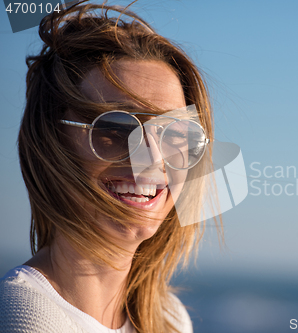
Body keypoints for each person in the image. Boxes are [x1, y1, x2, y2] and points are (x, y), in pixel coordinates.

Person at [0, 2, 219, 332]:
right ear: (51, 141)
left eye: (175, 133)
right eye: (116, 128)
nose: (153, 157)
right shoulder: (27, 317)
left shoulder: (169, 318)